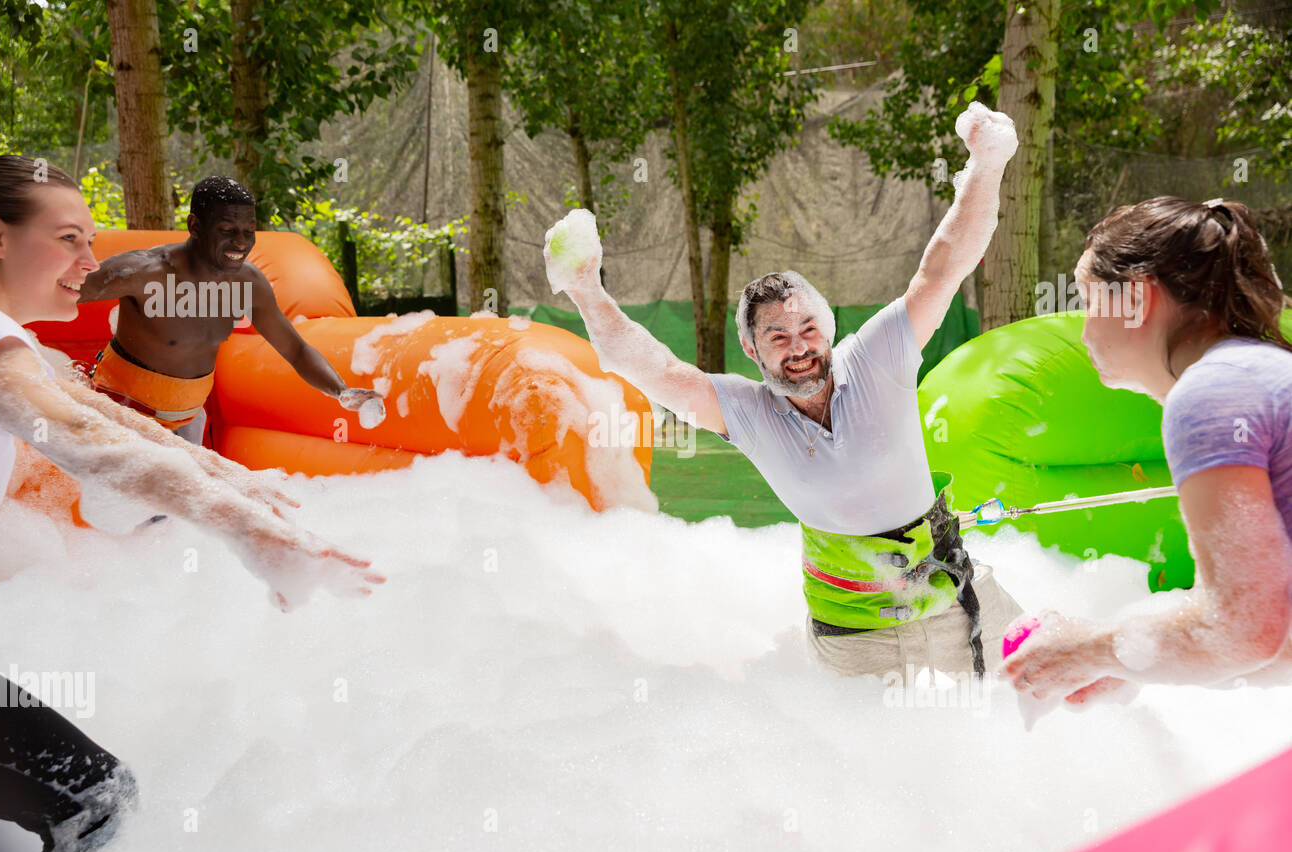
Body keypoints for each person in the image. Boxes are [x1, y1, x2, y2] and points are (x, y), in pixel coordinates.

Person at [544, 103, 1024, 682]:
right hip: (853, 634)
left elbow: (943, 268)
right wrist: (585, 290)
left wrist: (988, 162)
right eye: (777, 337)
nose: (798, 347)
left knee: (1042, 705)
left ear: (828, 329)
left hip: (956, 598)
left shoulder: (877, 358)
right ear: (752, 350)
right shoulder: (747, 413)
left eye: (808, 329)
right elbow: (653, 369)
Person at [0, 154, 382, 852]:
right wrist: (247, 532)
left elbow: (104, 419)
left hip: (174, 422)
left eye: (89, 239)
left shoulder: (22, 347)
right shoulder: (4, 346)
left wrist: (236, 485)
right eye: (70, 238)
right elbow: (84, 435)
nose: (88, 258)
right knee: (97, 801)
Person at [1003, 196, 1292, 704]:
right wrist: (1135, 661)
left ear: (1137, 300)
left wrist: (1086, 650)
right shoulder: (1256, 371)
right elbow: (1276, 634)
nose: (1084, 328)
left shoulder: (1211, 395)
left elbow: (1243, 631)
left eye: (1088, 302)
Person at [78, 176, 382, 445]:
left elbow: (296, 350)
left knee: (187, 504)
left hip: (186, 420)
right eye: (227, 230)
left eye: (248, 231)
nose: (241, 242)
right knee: (149, 507)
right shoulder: (142, 271)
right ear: (195, 226)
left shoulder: (247, 282)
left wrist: (341, 391)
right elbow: (53, 291)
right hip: (124, 414)